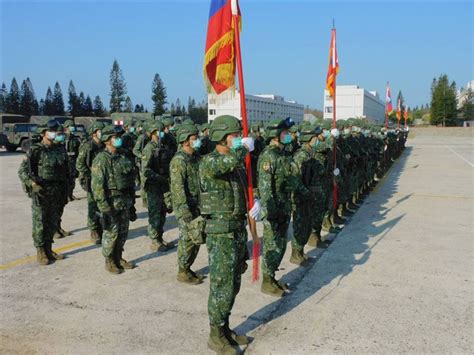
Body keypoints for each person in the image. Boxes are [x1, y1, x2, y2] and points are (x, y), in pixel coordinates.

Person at [199, 115, 258, 354]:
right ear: (222, 137)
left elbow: (245, 187)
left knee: (233, 284)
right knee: (221, 285)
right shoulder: (210, 162)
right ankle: (215, 334)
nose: (238, 139)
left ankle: (225, 328)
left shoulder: (235, 164)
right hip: (220, 234)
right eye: (234, 136)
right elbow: (224, 165)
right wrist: (242, 149)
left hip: (236, 230)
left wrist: (255, 204)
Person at [258, 117, 309, 297]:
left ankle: (272, 278)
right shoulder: (269, 156)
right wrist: (270, 211)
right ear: (275, 135)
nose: (289, 136)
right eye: (285, 133)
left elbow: (291, 178)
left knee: (280, 246)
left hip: (284, 206)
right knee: (272, 246)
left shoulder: (283, 154)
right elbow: (265, 188)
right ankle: (267, 280)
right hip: (274, 209)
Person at [18, 120, 69, 265]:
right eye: (51, 131)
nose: (54, 133)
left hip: (57, 191)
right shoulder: (36, 150)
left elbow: (65, 170)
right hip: (41, 192)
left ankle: (49, 249)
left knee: (52, 222)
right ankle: (41, 252)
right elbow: (22, 171)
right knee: (40, 223)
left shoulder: (59, 149)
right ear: (43, 134)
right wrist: (32, 184)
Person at [91, 125, 136, 274]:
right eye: (115, 137)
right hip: (111, 203)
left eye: (119, 137)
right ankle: (109, 260)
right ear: (107, 140)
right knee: (111, 233)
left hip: (124, 201)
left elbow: (129, 179)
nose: (119, 140)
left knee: (123, 232)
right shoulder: (101, 159)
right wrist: (103, 206)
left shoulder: (123, 156)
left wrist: (132, 203)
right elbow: (97, 186)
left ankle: (118, 257)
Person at [170, 124, 204, 285]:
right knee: (187, 240)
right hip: (186, 207)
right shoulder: (179, 161)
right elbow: (178, 189)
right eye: (194, 139)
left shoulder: (196, 157)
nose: (197, 141)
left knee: (195, 238)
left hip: (198, 204)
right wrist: (185, 212)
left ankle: (188, 267)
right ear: (185, 141)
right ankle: (182, 271)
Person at [290, 124, 322, 264]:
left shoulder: (310, 153)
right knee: (300, 226)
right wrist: (306, 192)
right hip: (300, 198)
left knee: (307, 225)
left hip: (309, 196)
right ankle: (296, 254)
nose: (317, 139)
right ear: (309, 138)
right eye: (315, 137)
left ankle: (301, 252)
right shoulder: (300, 155)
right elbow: (296, 179)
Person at [141, 121, 175, 252]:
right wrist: (159, 177)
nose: (163, 133)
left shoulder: (164, 146)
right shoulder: (149, 148)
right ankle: (154, 240)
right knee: (155, 213)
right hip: (154, 186)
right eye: (160, 131)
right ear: (153, 133)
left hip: (164, 184)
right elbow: (146, 170)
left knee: (163, 212)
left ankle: (160, 237)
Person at [76, 121, 105, 244]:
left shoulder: (104, 145)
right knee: (93, 205)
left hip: (104, 179)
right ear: (94, 133)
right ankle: (93, 229)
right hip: (91, 179)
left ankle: (103, 227)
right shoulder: (87, 146)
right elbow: (79, 164)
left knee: (103, 204)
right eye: (100, 131)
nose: (102, 133)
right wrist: (91, 175)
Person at [63, 119, 81, 201]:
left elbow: (78, 150)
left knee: (72, 179)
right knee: (65, 179)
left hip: (73, 162)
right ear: (66, 127)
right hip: (64, 162)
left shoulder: (75, 138)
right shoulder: (62, 138)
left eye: (73, 126)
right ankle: (65, 195)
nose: (73, 128)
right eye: (71, 126)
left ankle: (70, 194)